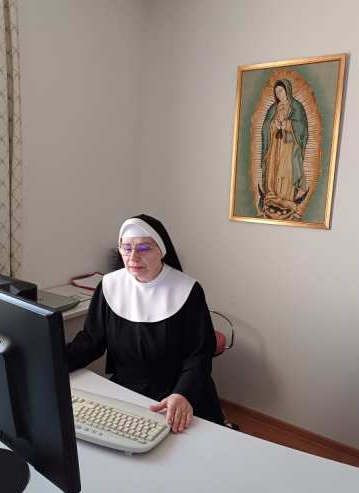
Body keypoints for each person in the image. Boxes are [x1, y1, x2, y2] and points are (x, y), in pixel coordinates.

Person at [66, 214, 225, 433]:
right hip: (128, 391)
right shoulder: (110, 286)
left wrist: (183, 393)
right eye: (126, 248)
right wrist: (53, 363)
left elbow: (199, 354)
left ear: (162, 251)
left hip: (178, 394)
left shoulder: (187, 290)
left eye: (144, 248)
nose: (133, 257)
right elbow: (91, 341)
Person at [260, 79, 308, 220]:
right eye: (276, 92)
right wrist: (274, 125)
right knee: (273, 169)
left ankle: (286, 199)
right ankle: (271, 197)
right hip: (274, 145)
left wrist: (287, 125)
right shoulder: (273, 108)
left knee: (285, 170)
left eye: (280, 90)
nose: (278, 94)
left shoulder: (297, 107)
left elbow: (302, 128)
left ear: (287, 90)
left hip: (289, 146)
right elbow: (265, 127)